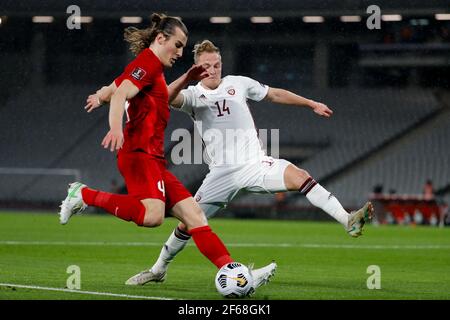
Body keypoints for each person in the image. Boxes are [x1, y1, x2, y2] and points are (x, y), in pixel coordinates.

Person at [90, 39, 373, 285]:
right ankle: (158, 270)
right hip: (220, 175)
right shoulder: (193, 95)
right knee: (190, 223)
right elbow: (166, 99)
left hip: (253, 164)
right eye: (206, 66)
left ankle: (346, 219)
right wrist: (188, 78)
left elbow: (274, 93)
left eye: (216, 64)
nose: (212, 70)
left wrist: (311, 103)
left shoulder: (239, 83)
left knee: (300, 175)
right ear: (197, 67)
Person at [59, 16, 276, 290]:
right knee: (152, 216)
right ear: (161, 38)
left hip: (153, 157)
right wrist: (116, 128)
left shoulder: (153, 69)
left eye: (183, 47)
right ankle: (82, 194)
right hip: (138, 154)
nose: (181, 52)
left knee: (195, 216)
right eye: (178, 45)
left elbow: (113, 89)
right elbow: (120, 94)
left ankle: (235, 273)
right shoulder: (148, 63)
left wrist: (98, 96)